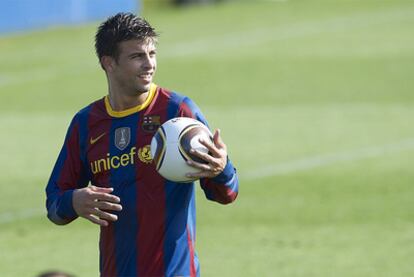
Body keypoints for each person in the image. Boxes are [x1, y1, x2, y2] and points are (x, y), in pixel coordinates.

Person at [45, 12, 239, 277]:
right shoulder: (86, 123)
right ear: (108, 63)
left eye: (152, 53)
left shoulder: (178, 112)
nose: (149, 64)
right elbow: (54, 205)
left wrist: (221, 168)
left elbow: (226, 193)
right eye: (137, 56)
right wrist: (73, 201)